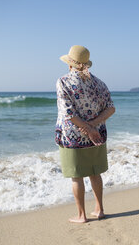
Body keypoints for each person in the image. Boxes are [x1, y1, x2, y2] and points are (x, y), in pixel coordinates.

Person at [55, 45, 115, 223]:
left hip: (72, 136)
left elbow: (69, 113)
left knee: (77, 176)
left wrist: (86, 128)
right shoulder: (99, 83)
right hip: (97, 135)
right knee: (95, 174)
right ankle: (99, 209)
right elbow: (111, 108)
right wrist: (93, 126)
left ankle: (81, 215)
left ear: (70, 64)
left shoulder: (63, 81)